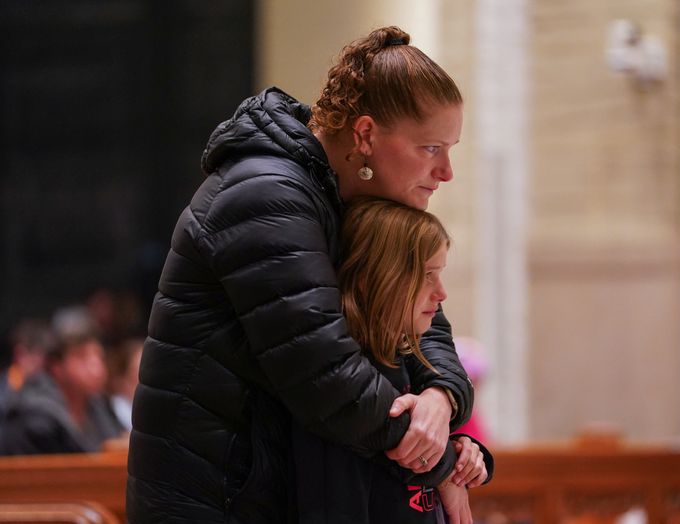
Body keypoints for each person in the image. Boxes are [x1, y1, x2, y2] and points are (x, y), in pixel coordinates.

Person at [127, 26, 473, 523]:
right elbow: (326, 377)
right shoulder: (266, 193)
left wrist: (440, 396)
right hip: (211, 501)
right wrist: (437, 464)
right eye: (430, 148)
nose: (447, 172)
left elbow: (422, 318)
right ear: (366, 134)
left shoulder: (343, 197)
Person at [293, 197, 493, 523]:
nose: (441, 293)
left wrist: (462, 451)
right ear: (375, 280)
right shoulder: (346, 379)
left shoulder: (408, 359)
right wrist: (442, 463)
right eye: (427, 275)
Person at [0, 325, 123, 455]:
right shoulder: (33, 415)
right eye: (81, 356)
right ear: (56, 367)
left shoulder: (100, 405)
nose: (96, 366)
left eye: (99, 357)